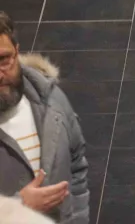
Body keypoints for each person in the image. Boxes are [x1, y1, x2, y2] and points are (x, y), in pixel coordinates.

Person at [0, 12, 89, 224]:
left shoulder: (52, 101)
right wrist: (18, 208)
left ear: (16, 52)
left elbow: (76, 165)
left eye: (3, 59)